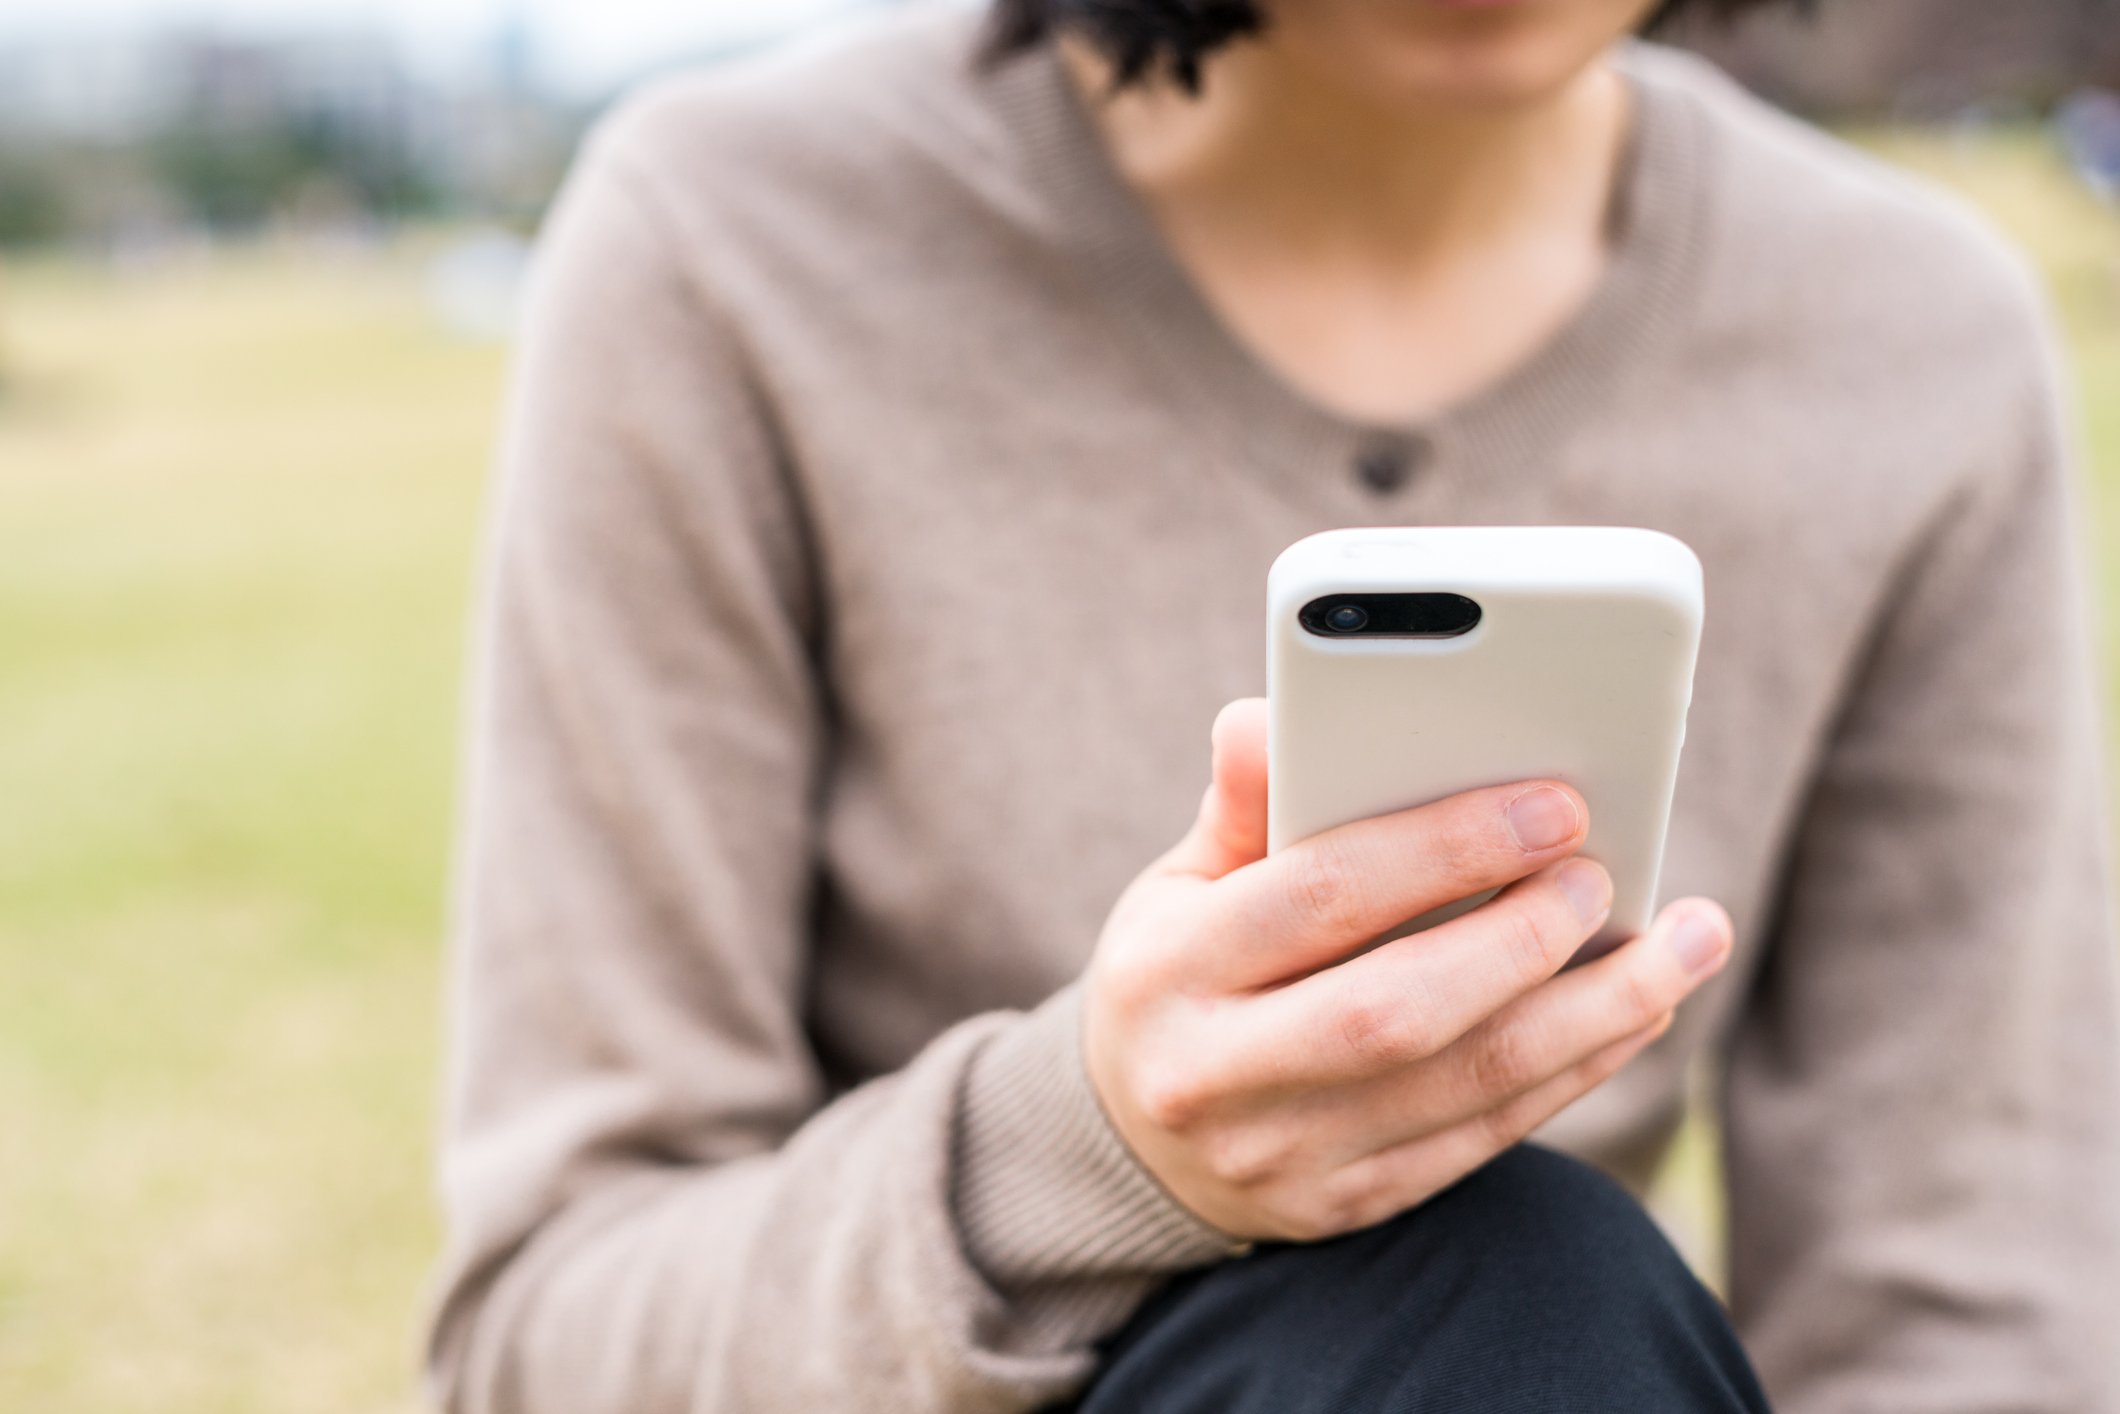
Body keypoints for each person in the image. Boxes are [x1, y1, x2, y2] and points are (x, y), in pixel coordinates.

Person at [423, 0, 2120, 1409]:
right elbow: (539, 1331)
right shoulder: (735, 243)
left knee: (1529, 1295)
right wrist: (1081, 1153)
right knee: (1501, 1280)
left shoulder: (1908, 341)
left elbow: (1960, 1324)